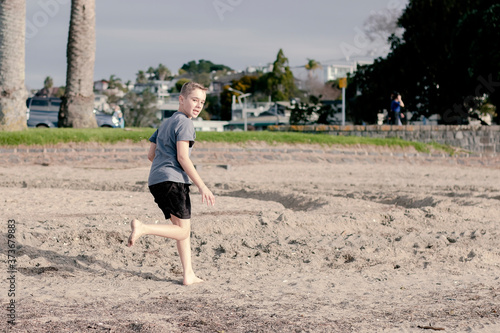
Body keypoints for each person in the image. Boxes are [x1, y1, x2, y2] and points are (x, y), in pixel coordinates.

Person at [127, 81, 215, 286]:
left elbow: (151, 154)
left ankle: (188, 274)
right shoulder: (185, 123)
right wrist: (203, 186)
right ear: (181, 99)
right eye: (194, 100)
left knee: (181, 228)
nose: (198, 105)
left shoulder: (165, 123)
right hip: (173, 181)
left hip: (156, 180)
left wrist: (163, 167)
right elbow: (183, 158)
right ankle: (143, 228)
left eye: (202, 102)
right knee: (183, 231)